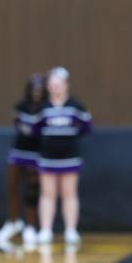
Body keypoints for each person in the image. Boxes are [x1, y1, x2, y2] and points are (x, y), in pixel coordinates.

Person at [34, 67, 91, 247]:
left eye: (59, 84)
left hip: (70, 157)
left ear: (66, 85)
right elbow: (35, 129)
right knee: (47, 194)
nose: (56, 87)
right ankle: (45, 230)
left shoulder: (76, 106)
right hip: (47, 157)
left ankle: (70, 230)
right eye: (52, 84)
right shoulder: (43, 107)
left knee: (69, 193)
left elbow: (86, 127)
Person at [0, 74, 46, 249]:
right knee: (12, 185)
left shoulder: (46, 108)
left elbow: (37, 131)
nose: (37, 91)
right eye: (34, 87)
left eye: (40, 87)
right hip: (19, 151)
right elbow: (19, 125)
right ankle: (13, 221)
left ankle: (31, 227)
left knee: (32, 190)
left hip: (37, 153)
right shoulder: (21, 106)